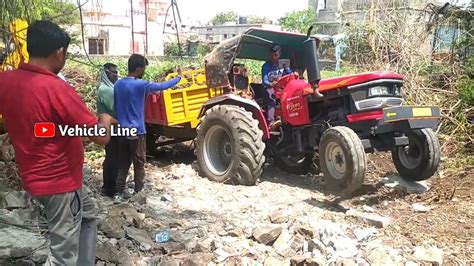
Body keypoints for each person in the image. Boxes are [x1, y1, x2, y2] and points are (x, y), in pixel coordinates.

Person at [0, 20, 115, 265]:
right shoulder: (56, 89)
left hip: (36, 175)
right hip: (60, 182)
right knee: (63, 253)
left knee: (88, 216)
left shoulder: (5, 82)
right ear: (59, 52)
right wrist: (105, 118)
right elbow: (100, 137)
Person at [113, 54, 182, 201]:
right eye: (143, 69)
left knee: (123, 163)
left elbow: (116, 106)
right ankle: (138, 193)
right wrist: (178, 78)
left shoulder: (118, 85)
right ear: (138, 70)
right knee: (139, 164)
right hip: (137, 131)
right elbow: (162, 86)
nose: (144, 71)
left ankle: (118, 193)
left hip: (121, 130)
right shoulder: (141, 85)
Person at [97, 63, 119, 197]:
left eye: (116, 72)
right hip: (111, 127)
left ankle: (109, 186)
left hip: (111, 126)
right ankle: (110, 188)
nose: (116, 75)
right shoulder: (106, 90)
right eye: (112, 72)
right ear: (106, 73)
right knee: (113, 158)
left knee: (112, 157)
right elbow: (114, 109)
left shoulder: (110, 87)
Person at [261, 44, 292, 124]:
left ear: (279, 54)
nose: (274, 57)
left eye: (276, 55)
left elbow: (290, 75)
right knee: (272, 98)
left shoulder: (283, 64)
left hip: (281, 88)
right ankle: (271, 121)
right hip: (269, 88)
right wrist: (271, 84)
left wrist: (289, 70)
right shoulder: (266, 66)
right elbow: (265, 81)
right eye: (272, 55)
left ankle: (289, 118)